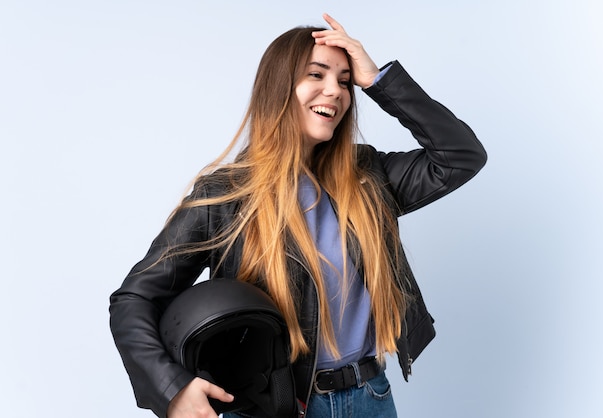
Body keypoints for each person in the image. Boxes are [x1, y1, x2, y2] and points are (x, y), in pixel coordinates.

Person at [109, 13, 487, 418]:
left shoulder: (367, 176)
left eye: (344, 81)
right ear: (279, 88)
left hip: (371, 397)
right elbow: (134, 299)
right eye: (317, 74)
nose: (335, 91)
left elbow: (460, 156)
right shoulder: (228, 196)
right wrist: (172, 389)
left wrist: (377, 80)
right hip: (280, 407)